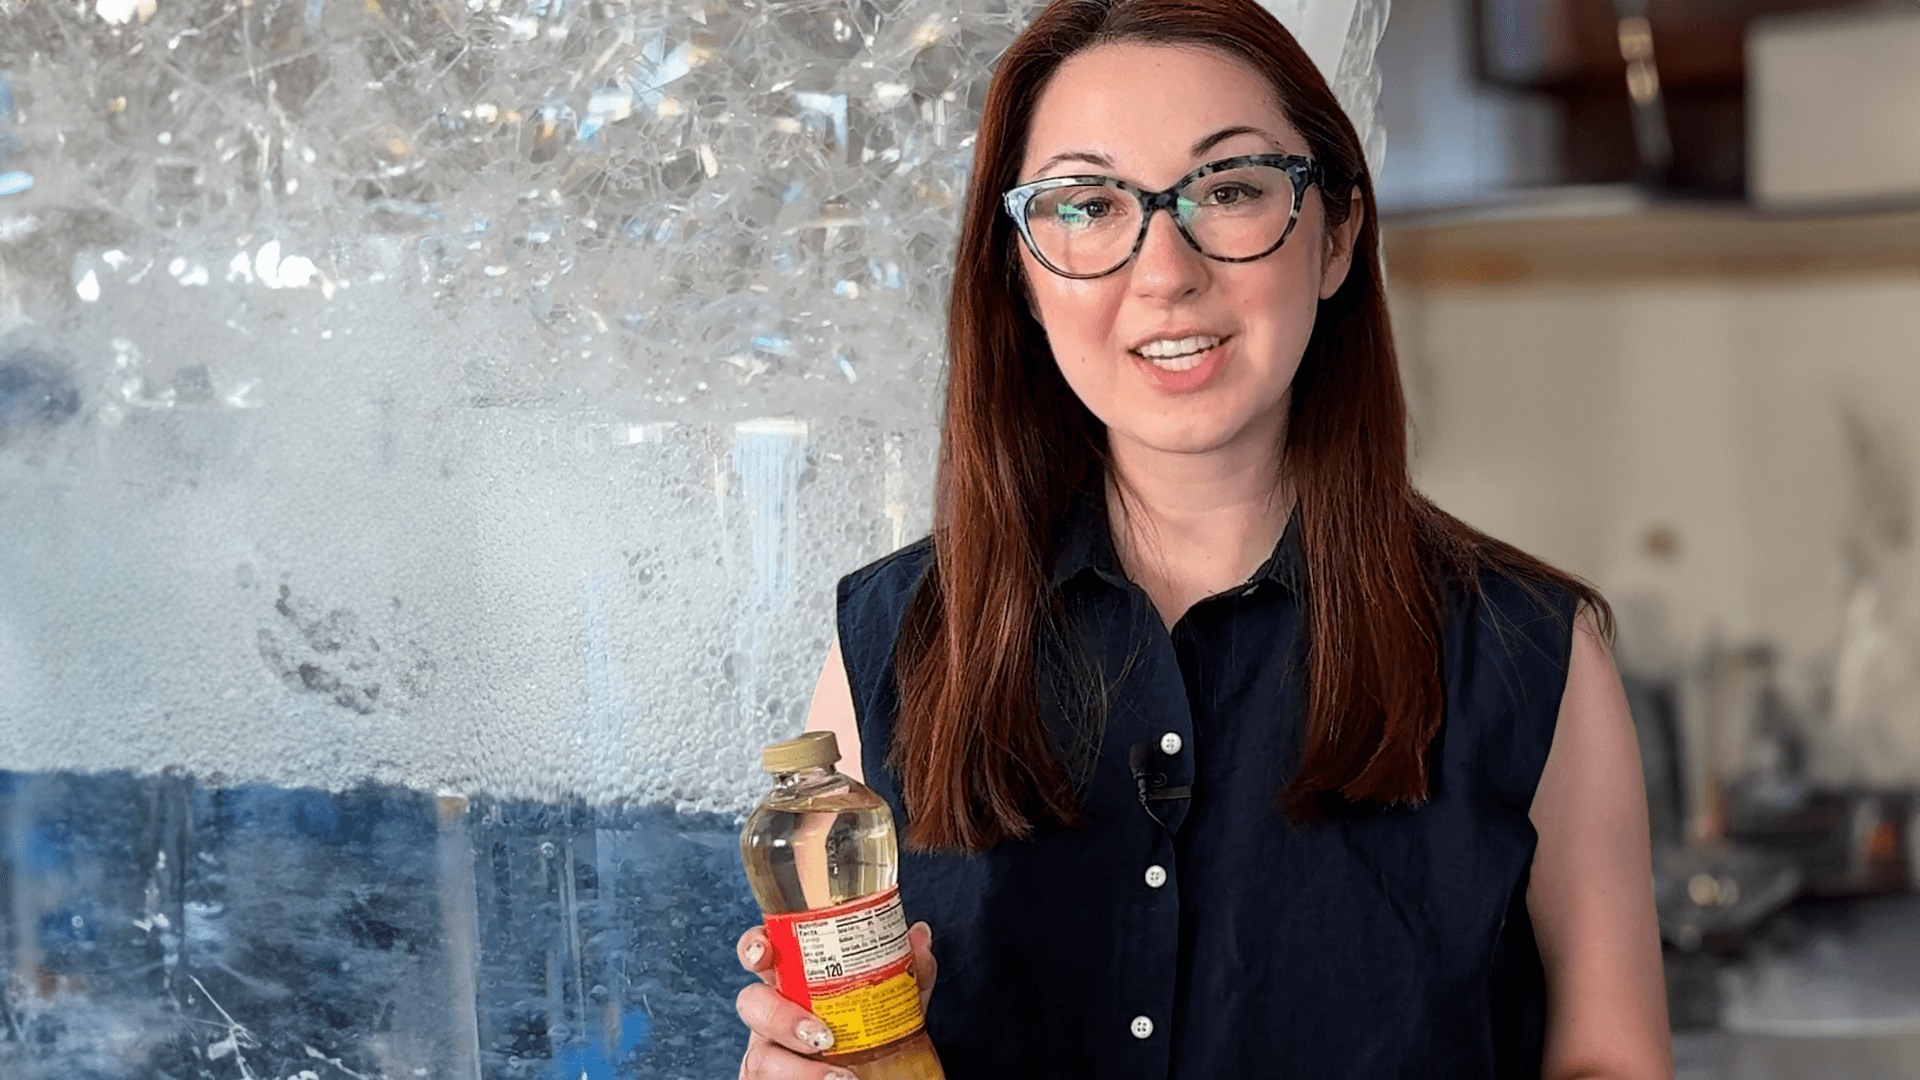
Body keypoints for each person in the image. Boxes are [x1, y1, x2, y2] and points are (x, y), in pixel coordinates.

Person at [735, 0, 1672, 1076]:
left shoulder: (1532, 654)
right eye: (1087, 204)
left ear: (1337, 237)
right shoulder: (895, 644)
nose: (1165, 268)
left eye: (1227, 190)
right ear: (1021, 277)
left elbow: (1614, 1060)